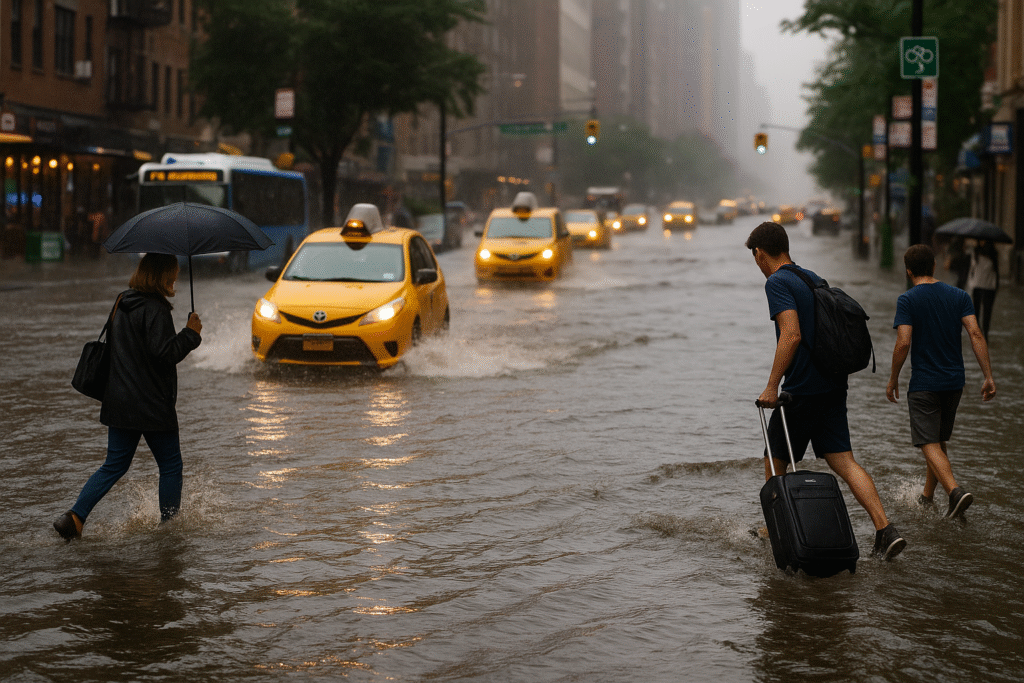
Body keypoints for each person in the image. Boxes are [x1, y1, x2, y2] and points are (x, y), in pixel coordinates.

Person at [745, 221, 906, 560]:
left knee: (774, 459)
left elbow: (791, 334)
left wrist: (772, 386)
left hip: (801, 389)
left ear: (760, 253)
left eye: (755, 257)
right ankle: (884, 529)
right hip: (834, 382)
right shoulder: (811, 277)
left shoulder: (777, 282)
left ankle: (775, 527)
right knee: (843, 460)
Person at [53, 253, 203, 540]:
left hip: (120, 402)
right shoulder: (157, 308)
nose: (177, 277)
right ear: (163, 276)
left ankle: (74, 517)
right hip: (152, 404)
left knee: (114, 464)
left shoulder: (122, 300)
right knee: (171, 465)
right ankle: (169, 530)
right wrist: (190, 334)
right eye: (174, 273)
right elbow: (164, 353)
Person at [886, 244, 995, 520]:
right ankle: (927, 497)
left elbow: (903, 343)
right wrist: (988, 376)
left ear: (908, 271)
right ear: (934, 266)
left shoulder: (907, 300)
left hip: (924, 383)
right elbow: (976, 334)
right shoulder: (959, 295)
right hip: (954, 382)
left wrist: (893, 378)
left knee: (928, 443)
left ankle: (954, 492)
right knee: (937, 440)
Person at [966, 240, 998, 340]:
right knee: (981, 313)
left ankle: (983, 335)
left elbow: (972, 270)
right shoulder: (979, 254)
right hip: (983, 287)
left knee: (983, 313)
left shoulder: (982, 254)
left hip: (984, 286)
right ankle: (982, 336)